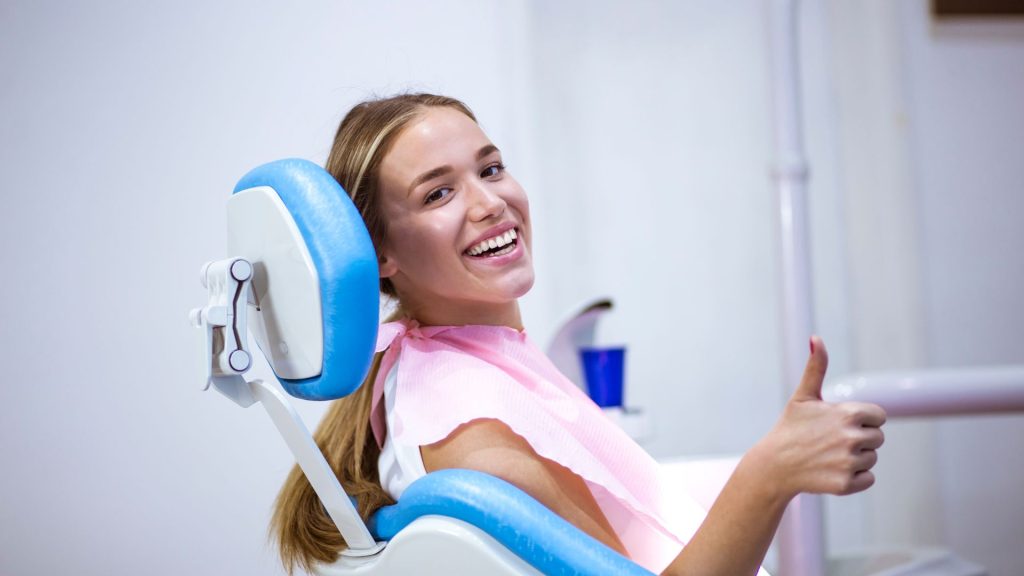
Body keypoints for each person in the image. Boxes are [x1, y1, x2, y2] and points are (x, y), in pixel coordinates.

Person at [270, 93, 886, 575]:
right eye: (439, 193)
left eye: (491, 168)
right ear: (379, 253)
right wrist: (770, 472)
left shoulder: (458, 372)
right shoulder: (472, 427)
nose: (490, 203)